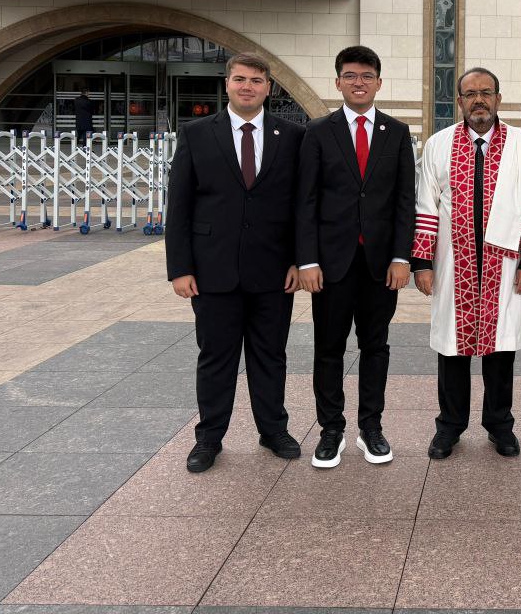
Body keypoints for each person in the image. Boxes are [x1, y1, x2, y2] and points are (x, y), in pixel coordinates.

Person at [164, 52, 304, 473]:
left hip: (273, 271)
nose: (248, 87)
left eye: (257, 80)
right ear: (227, 83)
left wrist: (299, 260)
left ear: (269, 88)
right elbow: (180, 206)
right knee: (216, 358)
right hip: (212, 270)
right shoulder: (196, 133)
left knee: (270, 356)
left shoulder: (291, 136)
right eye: (240, 79)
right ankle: (208, 438)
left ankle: (273, 430)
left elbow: (300, 205)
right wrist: (180, 268)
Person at [411, 67, 521, 459]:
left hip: (505, 264)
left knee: (501, 350)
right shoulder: (438, 144)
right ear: (460, 101)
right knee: (452, 349)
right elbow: (426, 205)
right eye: (470, 94)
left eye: (486, 92)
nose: (479, 100)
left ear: (498, 98)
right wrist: (422, 262)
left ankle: (500, 426)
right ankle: (449, 427)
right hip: (453, 262)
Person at [296, 46, 415, 468]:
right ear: (338, 82)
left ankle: (371, 428)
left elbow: (405, 201)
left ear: (379, 82)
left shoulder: (396, 133)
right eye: (350, 75)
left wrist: (402, 256)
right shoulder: (317, 132)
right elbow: (306, 201)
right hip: (331, 265)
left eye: (366, 76)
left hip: (381, 265)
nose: (358, 82)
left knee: (375, 347)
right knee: (328, 348)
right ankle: (331, 430)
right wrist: (307, 261)